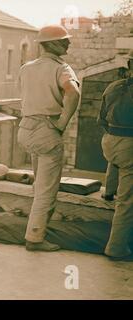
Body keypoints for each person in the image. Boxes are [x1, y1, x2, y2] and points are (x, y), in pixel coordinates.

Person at [17, 25, 80, 251]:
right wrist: (62, 123)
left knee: (39, 186)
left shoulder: (26, 68)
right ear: (51, 44)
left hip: (25, 129)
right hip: (46, 129)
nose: (67, 44)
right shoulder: (61, 67)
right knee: (46, 191)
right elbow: (73, 93)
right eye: (63, 41)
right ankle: (35, 238)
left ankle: (36, 229)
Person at [98, 49, 133, 261]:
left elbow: (101, 120)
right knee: (127, 200)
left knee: (117, 159)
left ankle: (108, 191)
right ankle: (116, 247)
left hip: (109, 142)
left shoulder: (113, 87)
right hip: (129, 145)